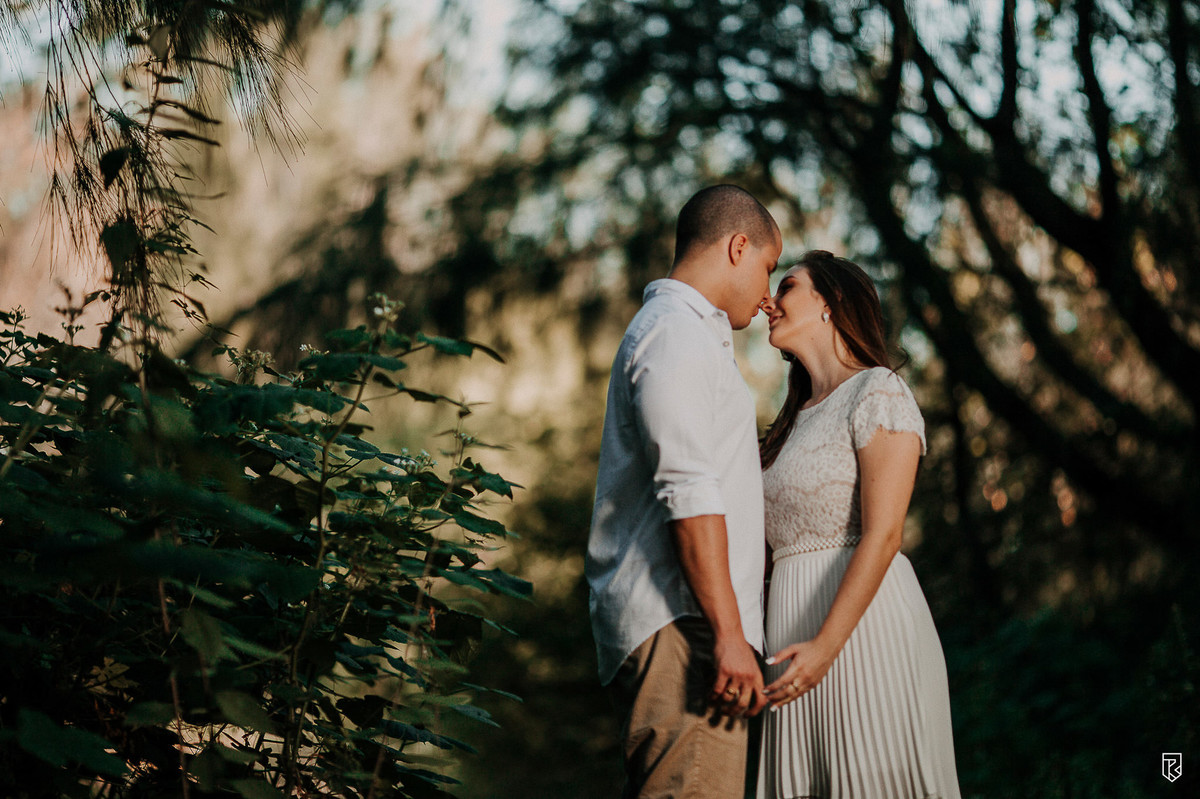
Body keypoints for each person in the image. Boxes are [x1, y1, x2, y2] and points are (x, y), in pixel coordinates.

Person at [587, 185, 783, 798]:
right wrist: (727, 634)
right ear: (738, 246)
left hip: (695, 621)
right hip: (688, 626)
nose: (768, 291)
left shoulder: (691, 335)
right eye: (768, 268)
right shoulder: (675, 333)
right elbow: (686, 488)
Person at [755, 251, 961, 799]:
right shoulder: (789, 422)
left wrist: (826, 646)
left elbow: (885, 534)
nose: (769, 302)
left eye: (788, 286)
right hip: (791, 637)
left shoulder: (878, 392)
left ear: (830, 302)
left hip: (862, 633)